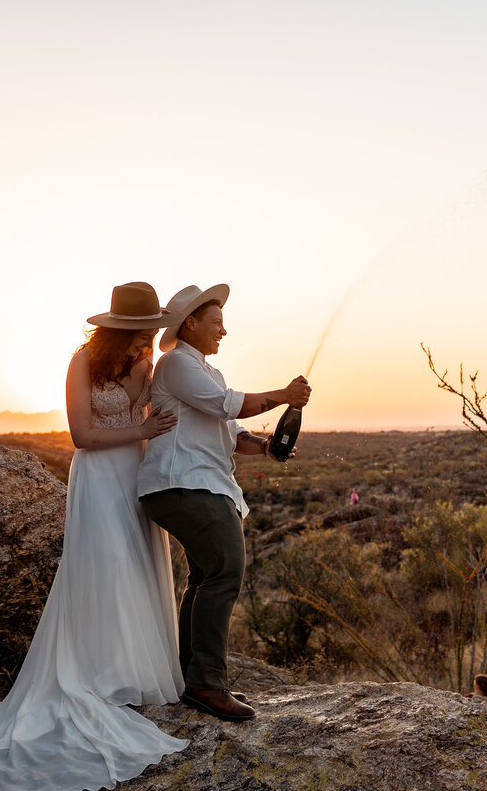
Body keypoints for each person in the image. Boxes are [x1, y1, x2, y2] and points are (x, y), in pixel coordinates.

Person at [0, 282, 188, 791]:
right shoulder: (83, 363)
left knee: (135, 565)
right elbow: (82, 435)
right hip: (99, 475)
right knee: (105, 566)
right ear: (122, 326)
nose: (152, 335)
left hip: (136, 475)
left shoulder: (147, 363)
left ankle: (130, 674)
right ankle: (94, 678)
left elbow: (167, 413)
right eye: (147, 327)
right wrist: (142, 432)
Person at [138, 284, 311, 722]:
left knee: (204, 576)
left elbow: (231, 431)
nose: (224, 331)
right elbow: (228, 404)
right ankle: (205, 684)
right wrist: (285, 394)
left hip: (199, 484)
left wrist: (267, 446)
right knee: (226, 570)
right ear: (190, 323)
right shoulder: (176, 363)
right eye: (216, 323)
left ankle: (190, 676)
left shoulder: (204, 371)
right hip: (184, 486)